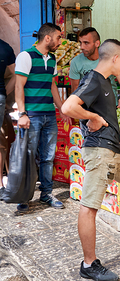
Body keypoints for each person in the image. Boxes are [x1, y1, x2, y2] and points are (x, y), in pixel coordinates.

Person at [62, 39, 120, 281]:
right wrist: (92, 117)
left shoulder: (104, 82)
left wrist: (95, 117)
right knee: (89, 207)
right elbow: (68, 107)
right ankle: (89, 264)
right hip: (100, 152)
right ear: (114, 58)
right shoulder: (93, 79)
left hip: (113, 151)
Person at [14, 23, 67, 211]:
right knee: (29, 156)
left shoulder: (52, 58)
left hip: (49, 115)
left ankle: (46, 194)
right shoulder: (26, 56)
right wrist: (22, 114)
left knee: (48, 157)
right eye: (58, 37)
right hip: (32, 116)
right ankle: (25, 196)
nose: (60, 41)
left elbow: (52, 86)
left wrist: (62, 108)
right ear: (47, 38)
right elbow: (19, 86)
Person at [70, 28, 120, 108]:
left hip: (111, 107)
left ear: (97, 43)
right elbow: (75, 90)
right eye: (80, 43)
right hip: (90, 110)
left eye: (86, 43)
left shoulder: (108, 58)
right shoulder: (76, 62)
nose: (82, 47)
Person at [0, 38, 16, 184]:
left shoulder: (5, 48)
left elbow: (15, 75)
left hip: (3, 98)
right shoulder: (5, 47)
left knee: (4, 139)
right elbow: (16, 74)